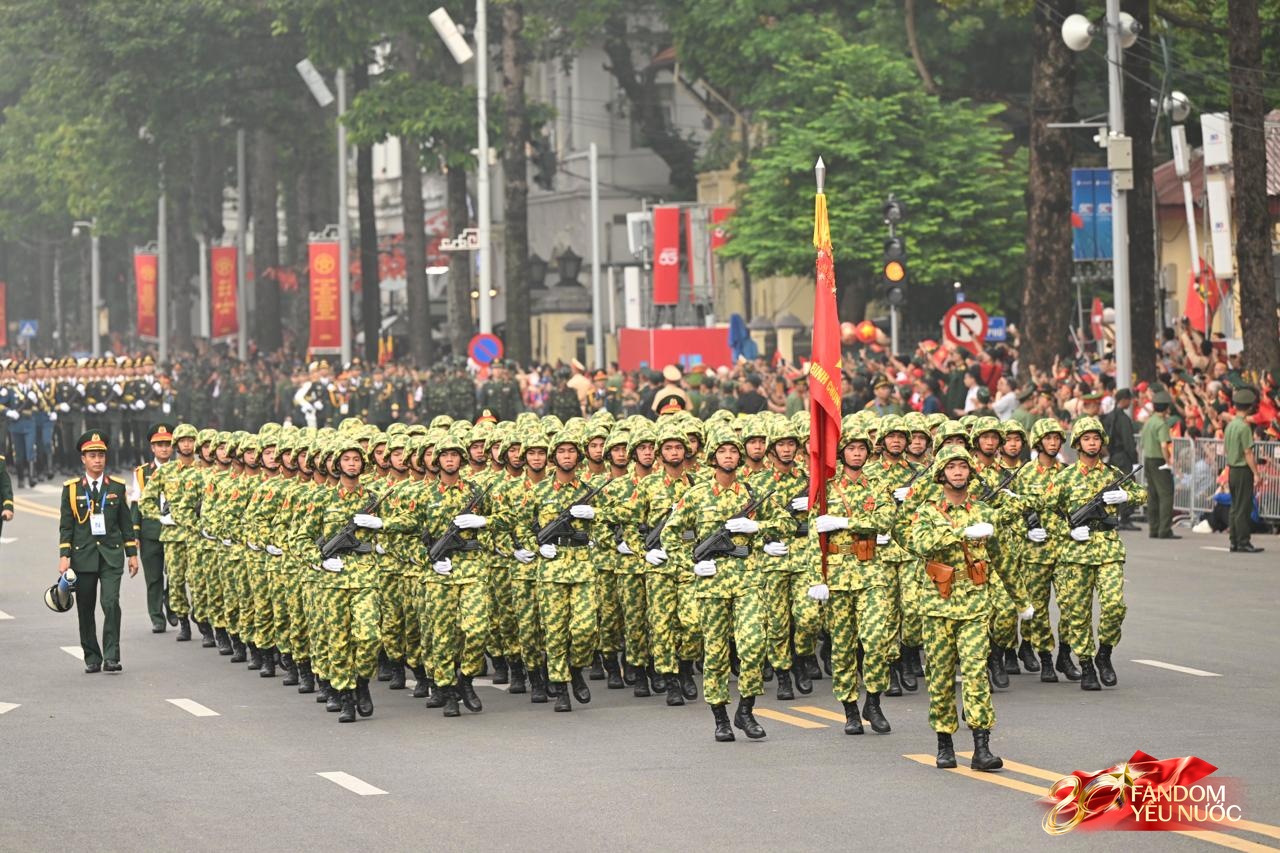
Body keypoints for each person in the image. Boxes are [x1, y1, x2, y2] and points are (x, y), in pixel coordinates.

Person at [898, 444, 1030, 771]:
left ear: (971, 473)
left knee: (975, 673)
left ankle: (981, 746)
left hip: (974, 604)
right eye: (952, 467)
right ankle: (944, 742)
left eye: (963, 467)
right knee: (941, 677)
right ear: (941, 474)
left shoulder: (984, 513)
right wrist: (961, 532)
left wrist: (1021, 600)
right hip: (938, 605)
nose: (958, 472)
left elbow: (1002, 559)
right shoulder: (928, 512)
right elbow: (920, 543)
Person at [661, 426, 768, 743]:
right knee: (717, 653)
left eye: (734, 451)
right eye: (723, 452)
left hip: (747, 579)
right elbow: (669, 536)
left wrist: (757, 526)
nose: (729, 456)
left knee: (753, 644)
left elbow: (785, 524)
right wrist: (692, 562)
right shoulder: (695, 496)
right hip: (711, 584)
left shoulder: (750, 495)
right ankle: (720, 717)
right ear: (712, 458)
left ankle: (746, 709)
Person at [1048, 416, 1146, 691]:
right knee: (1077, 614)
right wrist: (1067, 531)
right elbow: (1048, 513)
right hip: (1076, 552)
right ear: (1078, 443)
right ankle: (1087, 664)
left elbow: (1142, 493)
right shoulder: (1064, 477)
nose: (1092, 443)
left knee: (1115, 604)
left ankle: (1105, 653)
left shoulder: (1113, 474)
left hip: (1107, 547)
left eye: (1096, 438)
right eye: (1087, 439)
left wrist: (1127, 497)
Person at [58, 430, 140, 673]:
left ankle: (112, 656)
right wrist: (64, 556)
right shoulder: (71, 489)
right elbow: (66, 525)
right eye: (92, 455)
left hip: (111, 555)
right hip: (83, 557)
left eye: (101, 456)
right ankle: (92, 656)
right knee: (85, 607)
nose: (97, 460)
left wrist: (132, 554)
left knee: (111, 602)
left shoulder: (116, 486)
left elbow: (125, 523)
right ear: (83, 458)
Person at [132, 422, 176, 633]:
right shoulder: (142, 473)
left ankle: (171, 600)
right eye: (159, 445)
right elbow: (136, 504)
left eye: (167, 444)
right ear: (152, 448)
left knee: (177, 574)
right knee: (154, 577)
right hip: (151, 532)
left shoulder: (183, 471)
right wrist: (135, 534)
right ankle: (157, 617)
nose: (164, 448)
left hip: (176, 532)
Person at [1224, 387, 1264, 554]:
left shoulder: (1230, 426)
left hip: (1232, 469)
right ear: (1249, 407)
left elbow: (1227, 449)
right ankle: (1243, 541)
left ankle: (1234, 540)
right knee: (1243, 507)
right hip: (1242, 470)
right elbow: (1248, 452)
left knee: (1235, 506)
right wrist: (1256, 473)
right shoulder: (1244, 427)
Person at [1139, 390, 1176, 539]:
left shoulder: (1149, 422)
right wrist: (1168, 461)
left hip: (1148, 459)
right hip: (1159, 461)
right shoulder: (1161, 424)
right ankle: (1164, 529)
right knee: (1166, 494)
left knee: (1153, 495)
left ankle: (1153, 529)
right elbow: (1163, 445)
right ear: (1166, 408)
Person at [1101, 388, 1139, 530]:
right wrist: (1134, 459)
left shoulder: (1109, 417)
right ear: (1124, 400)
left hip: (1112, 455)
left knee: (1115, 486)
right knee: (1127, 486)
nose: (1130, 402)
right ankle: (1124, 518)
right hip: (1123, 456)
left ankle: (1113, 516)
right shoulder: (1123, 418)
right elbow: (1128, 441)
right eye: (1129, 399)